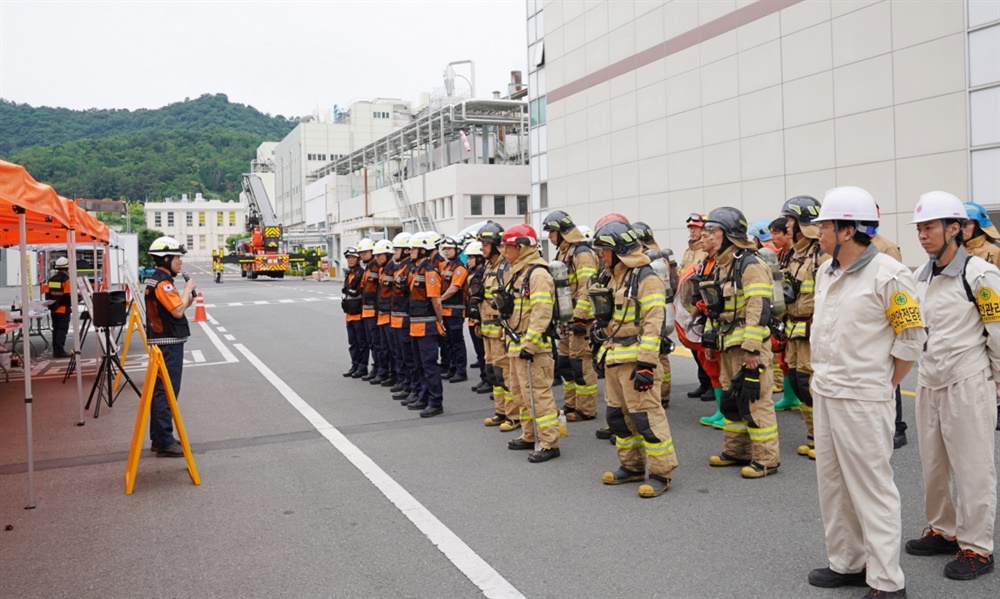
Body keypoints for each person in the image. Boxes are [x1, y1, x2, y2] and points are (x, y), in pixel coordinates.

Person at [807, 186, 925, 599]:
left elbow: (910, 341)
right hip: (826, 392)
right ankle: (848, 562)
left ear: (848, 229)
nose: (818, 231)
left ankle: (887, 582)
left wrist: (881, 384)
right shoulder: (827, 271)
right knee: (834, 485)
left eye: (825, 224)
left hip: (863, 398)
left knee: (872, 490)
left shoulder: (890, 275)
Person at [905, 191, 998, 581]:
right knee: (934, 465)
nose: (923, 235)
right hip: (929, 381)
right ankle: (944, 530)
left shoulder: (980, 274)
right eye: (920, 228)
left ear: (956, 228)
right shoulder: (919, 277)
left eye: (930, 227)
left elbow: (998, 333)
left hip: (967, 381)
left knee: (973, 467)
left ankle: (977, 547)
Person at [592, 219, 677, 497]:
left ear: (616, 250)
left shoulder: (646, 277)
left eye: (603, 249)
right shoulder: (612, 276)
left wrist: (646, 365)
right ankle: (631, 467)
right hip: (615, 357)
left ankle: (661, 473)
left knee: (647, 420)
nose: (600, 255)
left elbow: (654, 322)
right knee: (617, 418)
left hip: (637, 361)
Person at [700, 207, 781, 478]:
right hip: (727, 345)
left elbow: (758, 307)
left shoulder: (751, 264)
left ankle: (766, 459)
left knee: (756, 402)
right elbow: (714, 307)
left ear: (729, 235)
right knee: (732, 401)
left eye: (712, 231)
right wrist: (710, 342)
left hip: (748, 348)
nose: (706, 236)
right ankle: (736, 451)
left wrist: (752, 349)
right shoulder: (721, 265)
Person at [500, 224, 561, 463]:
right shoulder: (518, 272)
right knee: (520, 394)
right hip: (517, 345)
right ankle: (529, 434)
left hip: (533, 349)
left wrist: (530, 345)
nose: (505, 251)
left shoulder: (538, 274)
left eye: (509, 247)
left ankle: (549, 442)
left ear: (523, 247)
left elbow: (541, 312)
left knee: (538, 396)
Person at [779, 195, 828, 458]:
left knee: (813, 385)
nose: (787, 225)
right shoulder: (792, 254)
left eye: (790, 220)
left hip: (813, 330)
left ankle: (825, 439)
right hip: (794, 329)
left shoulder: (821, 253)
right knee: (799, 384)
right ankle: (813, 436)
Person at [543, 210, 600, 422]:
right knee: (566, 363)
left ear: (563, 232)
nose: (549, 236)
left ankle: (586, 409)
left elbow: (588, 286)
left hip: (579, 320)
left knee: (581, 363)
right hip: (566, 317)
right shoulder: (563, 252)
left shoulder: (582, 253)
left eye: (552, 232)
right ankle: (570, 403)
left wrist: (580, 316)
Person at [144, 236, 197, 458]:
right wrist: (187, 291)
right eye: (177, 257)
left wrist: (187, 297)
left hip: (163, 342)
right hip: (168, 344)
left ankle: (159, 437)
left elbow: (178, 308)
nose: (180, 262)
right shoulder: (163, 283)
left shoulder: (156, 280)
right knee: (166, 392)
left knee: (161, 391)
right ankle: (164, 441)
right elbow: (177, 311)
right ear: (165, 258)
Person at [870, 227, 910, 449]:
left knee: (892, 378)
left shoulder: (886, 247)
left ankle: (898, 428)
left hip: (888, 320)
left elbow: (897, 285)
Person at [477, 221, 518, 430]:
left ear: (495, 244)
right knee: (493, 373)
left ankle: (514, 415)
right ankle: (501, 412)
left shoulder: (505, 267)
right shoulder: (488, 266)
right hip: (488, 330)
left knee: (506, 374)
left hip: (501, 332)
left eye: (485, 243)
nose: (482, 247)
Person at [633, 220, 677, 410]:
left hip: (652, 311)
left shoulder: (648, 259)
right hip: (664, 312)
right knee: (662, 353)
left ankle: (659, 395)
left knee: (656, 354)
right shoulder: (660, 257)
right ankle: (664, 394)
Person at [402, 231, 445, 418]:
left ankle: (435, 402)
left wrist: (440, 321)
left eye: (413, 248)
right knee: (419, 364)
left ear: (423, 250)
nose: (410, 251)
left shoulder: (430, 272)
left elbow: (436, 301)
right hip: (415, 324)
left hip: (427, 325)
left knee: (429, 365)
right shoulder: (415, 270)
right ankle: (424, 396)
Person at [680, 213, 713, 402]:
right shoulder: (689, 250)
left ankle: (710, 382)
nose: (692, 231)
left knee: (703, 345)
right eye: (690, 228)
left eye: (696, 227)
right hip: (688, 303)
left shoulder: (705, 249)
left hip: (701, 303)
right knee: (693, 345)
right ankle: (703, 381)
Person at [388, 233, 417, 401]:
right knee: (401, 354)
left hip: (405, 317)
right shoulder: (401, 267)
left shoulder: (408, 268)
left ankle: (412, 387)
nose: (394, 253)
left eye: (397, 249)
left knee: (409, 356)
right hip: (398, 316)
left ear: (406, 250)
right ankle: (407, 384)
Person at [439, 236, 469, 383]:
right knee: (449, 342)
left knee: (457, 342)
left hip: (455, 310)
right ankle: (452, 368)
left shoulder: (459, 268)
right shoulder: (446, 266)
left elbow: (454, 288)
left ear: (458, 249)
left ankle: (461, 371)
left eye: (449, 248)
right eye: (444, 249)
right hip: (445, 309)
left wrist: (439, 300)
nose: (446, 251)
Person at [463, 240, 491, 394]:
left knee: (485, 351)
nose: (468, 261)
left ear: (480, 258)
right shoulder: (473, 274)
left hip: (481, 317)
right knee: (479, 352)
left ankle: (488, 379)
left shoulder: (482, 274)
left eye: (471, 258)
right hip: (473, 317)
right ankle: (484, 377)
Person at [357, 238, 385, 382]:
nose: (362, 255)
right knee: (372, 342)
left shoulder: (376, 266)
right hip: (367, 311)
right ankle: (376, 367)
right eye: (361, 252)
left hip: (374, 311)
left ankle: (380, 369)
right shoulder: (368, 267)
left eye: (365, 252)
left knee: (377, 342)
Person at [372, 239, 397, 388]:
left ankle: (394, 375)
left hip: (389, 314)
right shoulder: (383, 270)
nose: (377, 259)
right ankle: (388, 372)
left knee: (392, 348)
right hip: (382, 313)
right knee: (383, 347)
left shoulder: (393, 269)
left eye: (379, 255)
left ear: (388, 255)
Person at [340, 246, 369, 379]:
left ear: (358, 259)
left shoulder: (361, 273)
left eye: (353, 258)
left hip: (359, 314)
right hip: (349, 314)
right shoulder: (349, 273)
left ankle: (362, 367)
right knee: (353, 343)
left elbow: (363, 292)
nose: (350, 260)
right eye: (348, 258)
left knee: (362, 343)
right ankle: (355, 365)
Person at [45, 257, 72, 358]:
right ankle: (60, 350)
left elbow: (47, 295)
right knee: (62, 330)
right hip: (63, 309)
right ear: (67, 268)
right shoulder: (66, 280)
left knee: (56, 329)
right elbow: (66, 296)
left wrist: (53, 306)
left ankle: (56, 350)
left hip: (53, 310)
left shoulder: (51, 279)